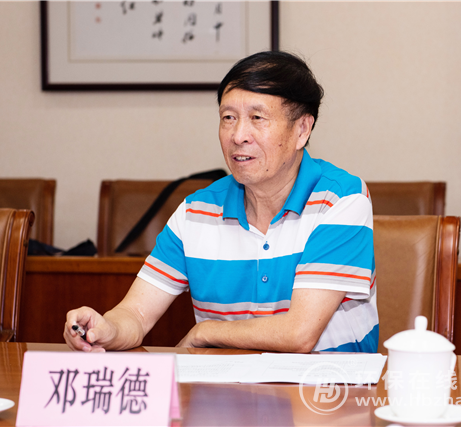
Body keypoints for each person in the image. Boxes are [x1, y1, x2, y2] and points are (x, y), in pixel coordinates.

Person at [64, 51, 378, 353]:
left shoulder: (341, 200)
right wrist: (106, 329)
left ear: (301, 129)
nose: (238, 135)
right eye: (228, 118)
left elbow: (299, 333)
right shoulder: (196, 212)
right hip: (223, 389)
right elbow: (135, 314)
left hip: (326, 388)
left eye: (257, 118)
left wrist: (205, 332)